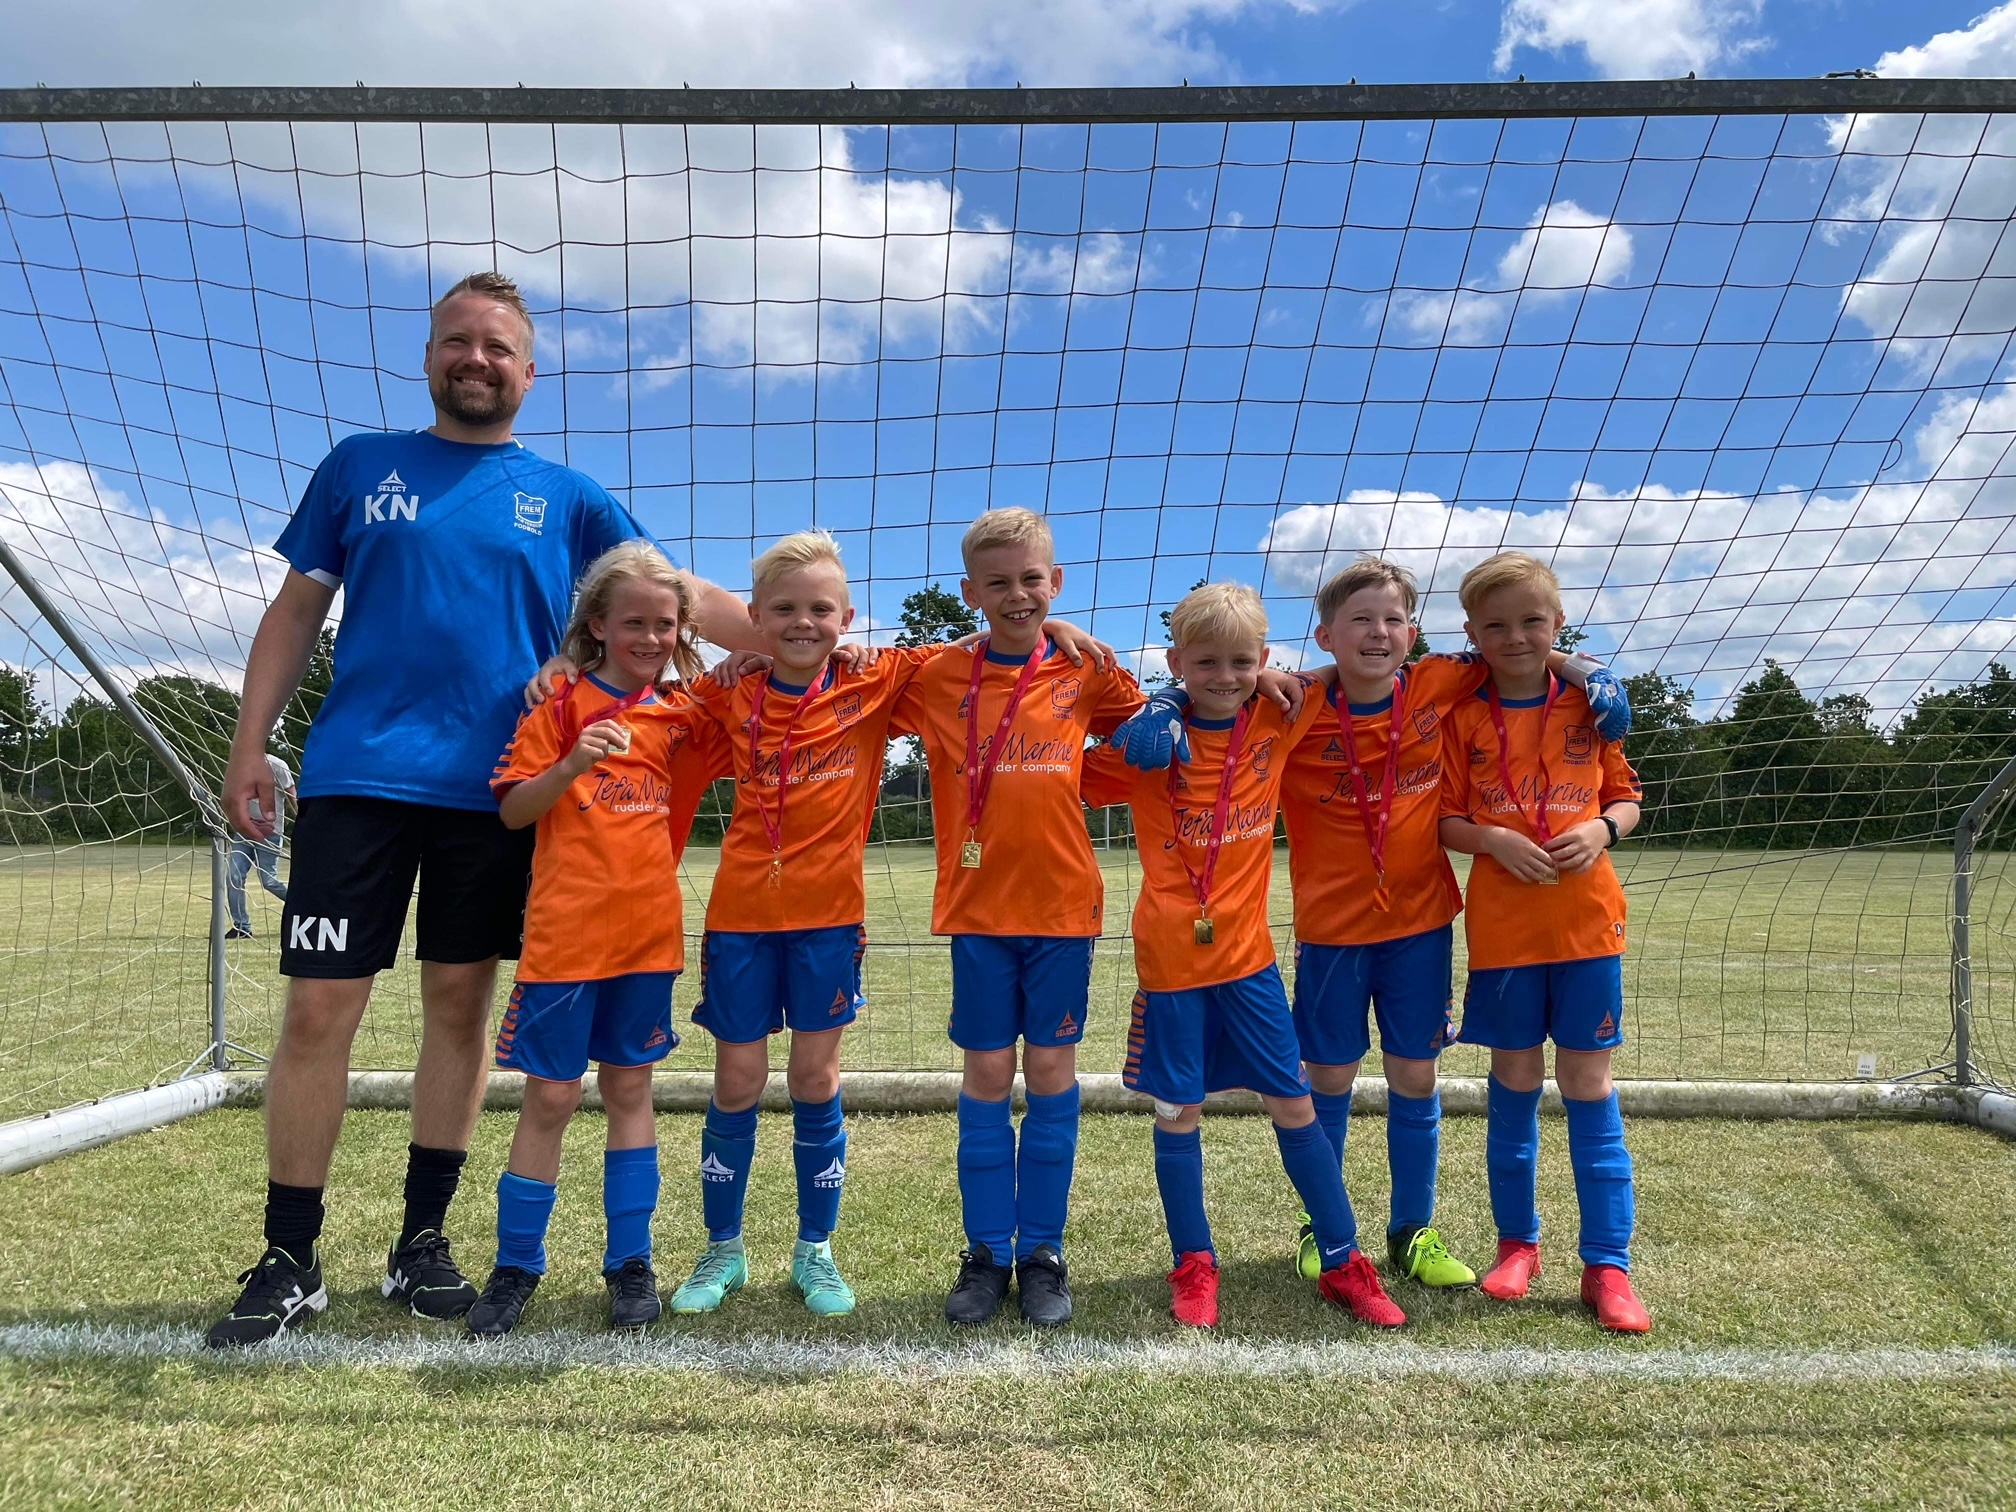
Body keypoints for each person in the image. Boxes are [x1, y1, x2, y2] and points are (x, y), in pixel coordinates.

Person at [205, 270, 753, 1350]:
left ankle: (422, 1242)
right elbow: (297, 608)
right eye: (458, 341)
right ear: (429, 357)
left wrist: (797, 634)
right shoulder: (359, 466)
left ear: (529, 372)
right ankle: (290, 1256)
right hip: (358, 782)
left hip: (497, 796)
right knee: (317, 1013)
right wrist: (247, 741)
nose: (476, 360)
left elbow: (677, 595)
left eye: (498, 347)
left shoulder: (568, 495)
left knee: (459, 1009)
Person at [662, 529, 1108, 1320]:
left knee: (814, 1080)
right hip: (738, 919)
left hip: (831, 921)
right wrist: (577, 668)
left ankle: (816, 1250)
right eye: (784, 610)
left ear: (847, 617)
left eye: (821, 609)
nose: (804, 623)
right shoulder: (729, 690)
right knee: (735, 1081)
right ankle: (722, 1248)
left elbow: (994, 646)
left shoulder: (878, 677)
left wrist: (1054, 624)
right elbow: (650, 672)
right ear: (756, 619)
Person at [1271, 558, 1630, 1289]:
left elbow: (1522, 648)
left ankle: (1413, 1230)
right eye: (1360, 620)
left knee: (1415, 1074)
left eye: (1393, 619)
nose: (1378, 633)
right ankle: (1323, 1228)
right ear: (1325, 635)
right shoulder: (1294, 705)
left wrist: (1589, 669)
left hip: (1421, 923)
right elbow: (1223, 686)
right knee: (1328, 1076)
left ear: (1415, 634)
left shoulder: (1440, 684)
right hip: (1331, 930)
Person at [1083, 582, 1406, 1330]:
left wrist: (1573, 663)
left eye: (1241, 662)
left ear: (1261, 659)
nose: (1224, 677)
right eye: (1204, 664)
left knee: (1294, 1102)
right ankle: (1194, 1264)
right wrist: (1156, 705)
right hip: (1171, 964)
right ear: (1176, 661)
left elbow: (1354, 668)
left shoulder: (1277, 715)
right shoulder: (1144, 745)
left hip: (1250, 963)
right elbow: (1062, 768)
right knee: (1177, 1111)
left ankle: (1343, 1260)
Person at [886, 508, 1146, 1327]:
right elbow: (839, 669)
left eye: (1032, 579)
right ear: (970, 592)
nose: (1017, 595)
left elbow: (1153, 722)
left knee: (1054, 1075)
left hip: (1063, 911)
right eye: (997, 583)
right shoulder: (934, 674)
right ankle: (986, 1253)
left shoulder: (1087, 668)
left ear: (1055, 582)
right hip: (978, 913)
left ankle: (1042, 1252)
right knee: (989, 1077)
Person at [467, 542, 731, 1337]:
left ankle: (630, 1262)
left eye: (664, 625)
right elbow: (513, 810)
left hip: (647, 940)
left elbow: (756, 701)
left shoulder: (683, 715)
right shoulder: (558, 705)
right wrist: (571, 763)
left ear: (681, 630)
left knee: (629, 1092)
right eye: (633, 623)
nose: (650, 638)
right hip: (565, 939)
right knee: (550, 1096)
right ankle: (516, 1266)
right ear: (598, 627)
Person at [1437, 551, 1650, 1334]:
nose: (1516, 636)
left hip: (1588, 927)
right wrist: (1492, 839)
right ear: (1472, 633)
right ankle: (1517, 1246)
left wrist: (1601, 830)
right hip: (1505, 934)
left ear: (1558, 623)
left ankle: (1608, 1266)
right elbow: (1444, 819)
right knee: (1515, 1081)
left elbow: (1627, 798)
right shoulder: (1462, 716)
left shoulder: (1591, 707)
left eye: (1532, 621)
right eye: (1496, 625)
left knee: (1588, 1085)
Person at [225, 751, 294, 939]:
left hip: (270, 833)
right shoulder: (238, 764)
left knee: (268, 881)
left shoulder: (277, 765)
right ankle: (242, 927)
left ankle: (302, 905)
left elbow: (291, 794)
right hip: (244, 831)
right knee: (233, 876)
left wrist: (303, 820)